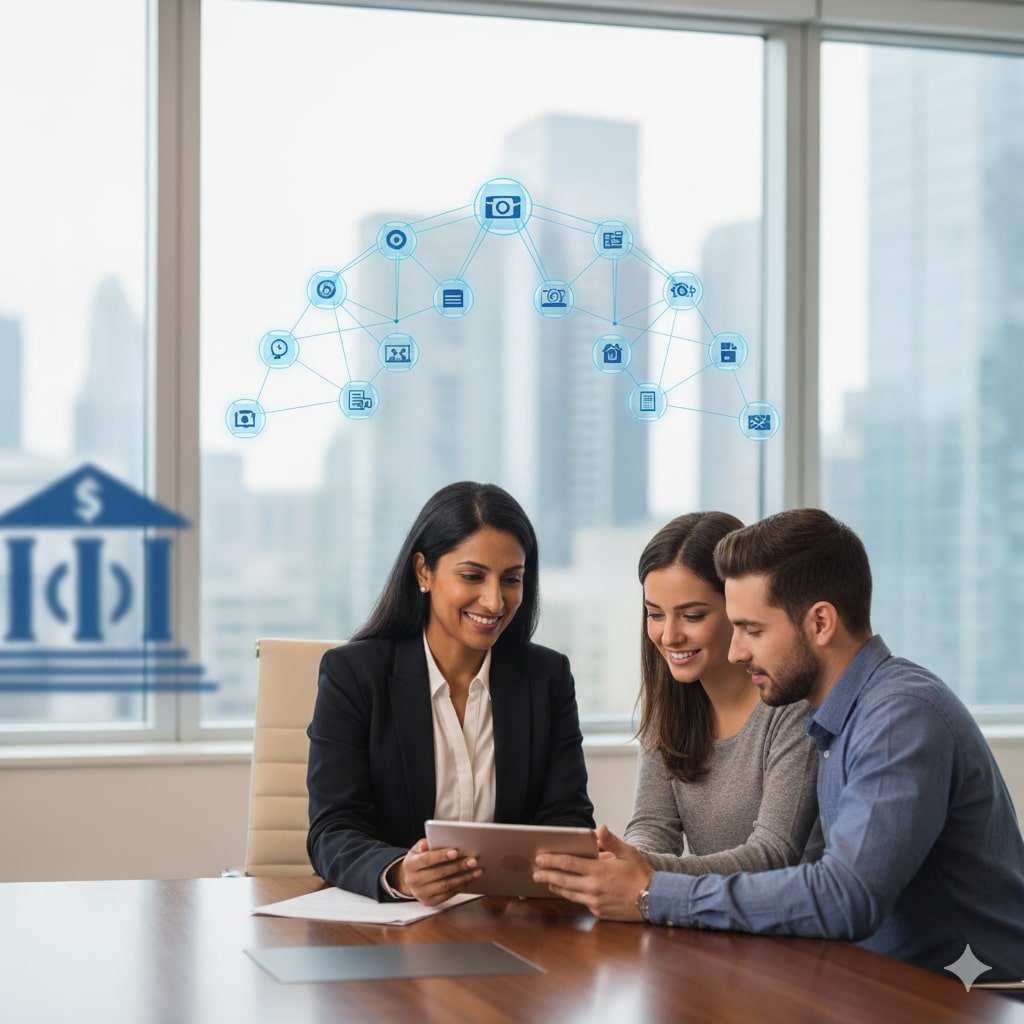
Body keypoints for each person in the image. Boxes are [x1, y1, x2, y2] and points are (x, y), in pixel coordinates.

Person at [534, 508, 1024, 981]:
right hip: (883, 986)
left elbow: (844, 897)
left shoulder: (899, 716)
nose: (736, 650)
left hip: (972, 998)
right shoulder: (836, 717)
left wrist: (650, 893)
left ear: (820, 623)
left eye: (751, 629)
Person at [306, 481, 594, 905]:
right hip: (391, 931)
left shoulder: (547, 677)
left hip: (512, 924)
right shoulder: (354, 674)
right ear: (424, 571)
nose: (495, 601)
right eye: (472, 576)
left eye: (511, 579)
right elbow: (332, 830)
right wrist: (400, 873)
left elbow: (567, 817)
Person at [624, 511, 821, 875]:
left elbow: (773, 855)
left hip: (786, 923)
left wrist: (639, 868)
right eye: (655, 614)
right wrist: (628, 858)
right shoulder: (670, 701)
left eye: (692, 616)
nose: (669, 637)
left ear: (737, 607)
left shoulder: (792, 708)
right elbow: (652, 826)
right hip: (707, 917)